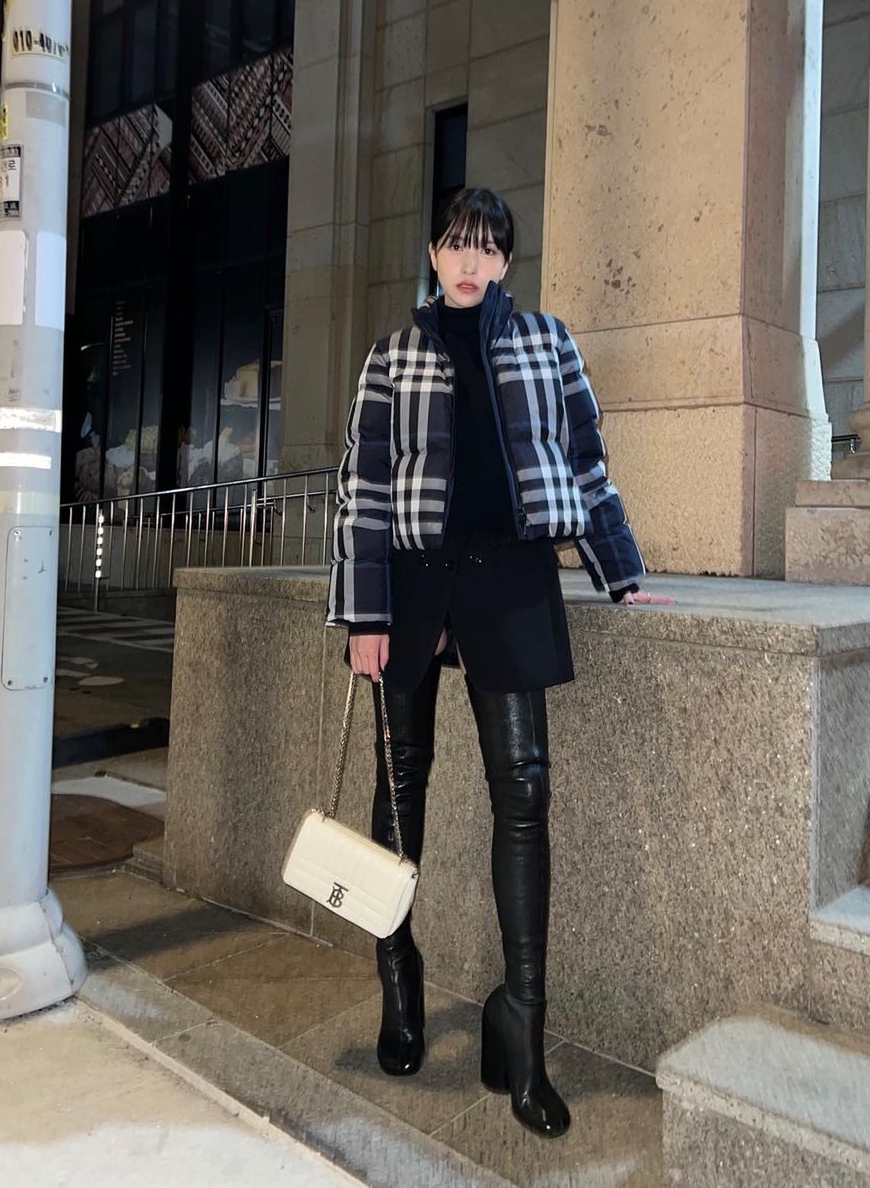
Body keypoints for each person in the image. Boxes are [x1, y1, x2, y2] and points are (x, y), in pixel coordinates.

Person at [326, 188, 667, 1138]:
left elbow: (587, 464)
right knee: (402, 785)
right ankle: (399, 976)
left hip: (511, 578)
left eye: (486, 248)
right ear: (434, 254)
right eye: (454, 245)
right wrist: (364, 614)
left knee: (525, 789)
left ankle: (521, 1022)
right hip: (414, 581)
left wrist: (622, 574)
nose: (469, 262)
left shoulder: (547, 343)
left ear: (507, 260)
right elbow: (361, 491)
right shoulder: (392, 355)